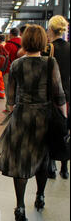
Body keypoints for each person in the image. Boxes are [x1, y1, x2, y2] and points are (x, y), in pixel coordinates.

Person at [0, 25, 67, 221]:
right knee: (43, 159)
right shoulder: (50, 63)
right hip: (44, 117)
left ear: (25, 42)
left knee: (21, 162)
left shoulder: (17, 64)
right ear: (43, 41)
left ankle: (19, 207)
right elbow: (59, 94)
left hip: (21, 117)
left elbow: (10, 100)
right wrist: (64, 119)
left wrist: (17, 107)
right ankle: (40, 196)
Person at [46, 15, 70, 180]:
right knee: (65, 130)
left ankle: (51, 165)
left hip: (50, 96)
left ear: (50, 30)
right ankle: (65, 168)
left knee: (49, 130)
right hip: (67, 96)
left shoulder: (47, 49)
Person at [2, 28, 22, 112]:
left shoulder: (8, 44)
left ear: (10, 34)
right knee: (18, 88)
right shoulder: (23, 42)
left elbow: (4, 58)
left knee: (8, 89)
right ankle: (17, 106)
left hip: (9, 70)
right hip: (20, 70)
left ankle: (8, 107)